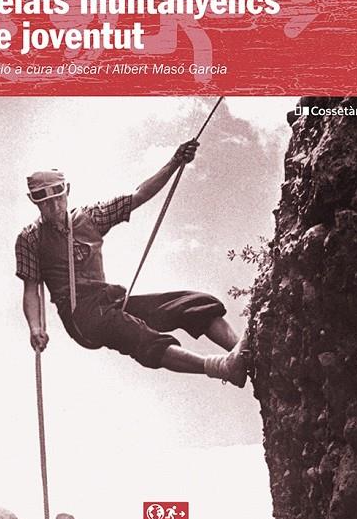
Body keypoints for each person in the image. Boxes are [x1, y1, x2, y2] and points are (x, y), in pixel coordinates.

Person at [15, 139, 248, 387]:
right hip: (81, 315)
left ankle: (244, 354)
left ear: (67, 191)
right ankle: (222, 368)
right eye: (45, 201)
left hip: (111, 301)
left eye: (58, 198)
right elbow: (31, 290)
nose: (54, 206)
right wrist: (35, 328)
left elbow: (139, 195)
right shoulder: (31, 238)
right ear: (34, 201)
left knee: (192, 304)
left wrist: (175, 162)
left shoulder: (89, 218)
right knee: (135, 333)